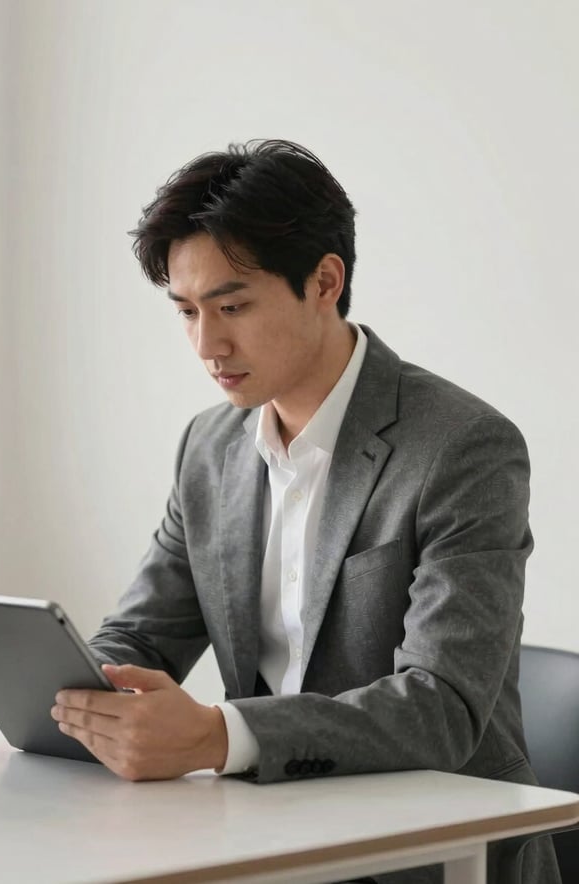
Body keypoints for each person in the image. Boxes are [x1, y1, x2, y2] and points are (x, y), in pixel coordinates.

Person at [49, 140, 559, 883]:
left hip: (432, 853)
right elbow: (143, 634)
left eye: (232, 306)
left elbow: (441, 706)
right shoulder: (210, 446)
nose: (206, 343)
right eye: (187, 311)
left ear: (325, 281)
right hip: (260, 842)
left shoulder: (463, 447)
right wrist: (66, 692)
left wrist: (217, 737)